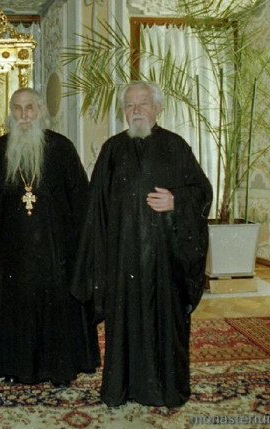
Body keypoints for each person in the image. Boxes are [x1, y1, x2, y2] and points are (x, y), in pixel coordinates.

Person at [72, 81, 213, 408]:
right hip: (123, 259)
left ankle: (167, 390)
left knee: (166, 323)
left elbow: (202, 191)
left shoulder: (176, 147)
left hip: (166, 260)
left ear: (157, 108)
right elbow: (96, 210)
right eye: (130, 105)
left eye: (143, 103)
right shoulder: (111, 150)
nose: (136, 111)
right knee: (125, 325)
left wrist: (177, 200)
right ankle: (121, 388)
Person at [0, 88, 100, 386]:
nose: (24, 114)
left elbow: (80, 198)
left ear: (41, 111)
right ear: (10, 113)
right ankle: (17, 368)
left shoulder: (61, 147)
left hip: (56, 247)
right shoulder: (2, 148)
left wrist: (81, 244)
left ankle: (60, 369)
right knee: (16, 304)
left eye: (29, 107)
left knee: (57, 305)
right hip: (13, 247)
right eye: (17, 108)